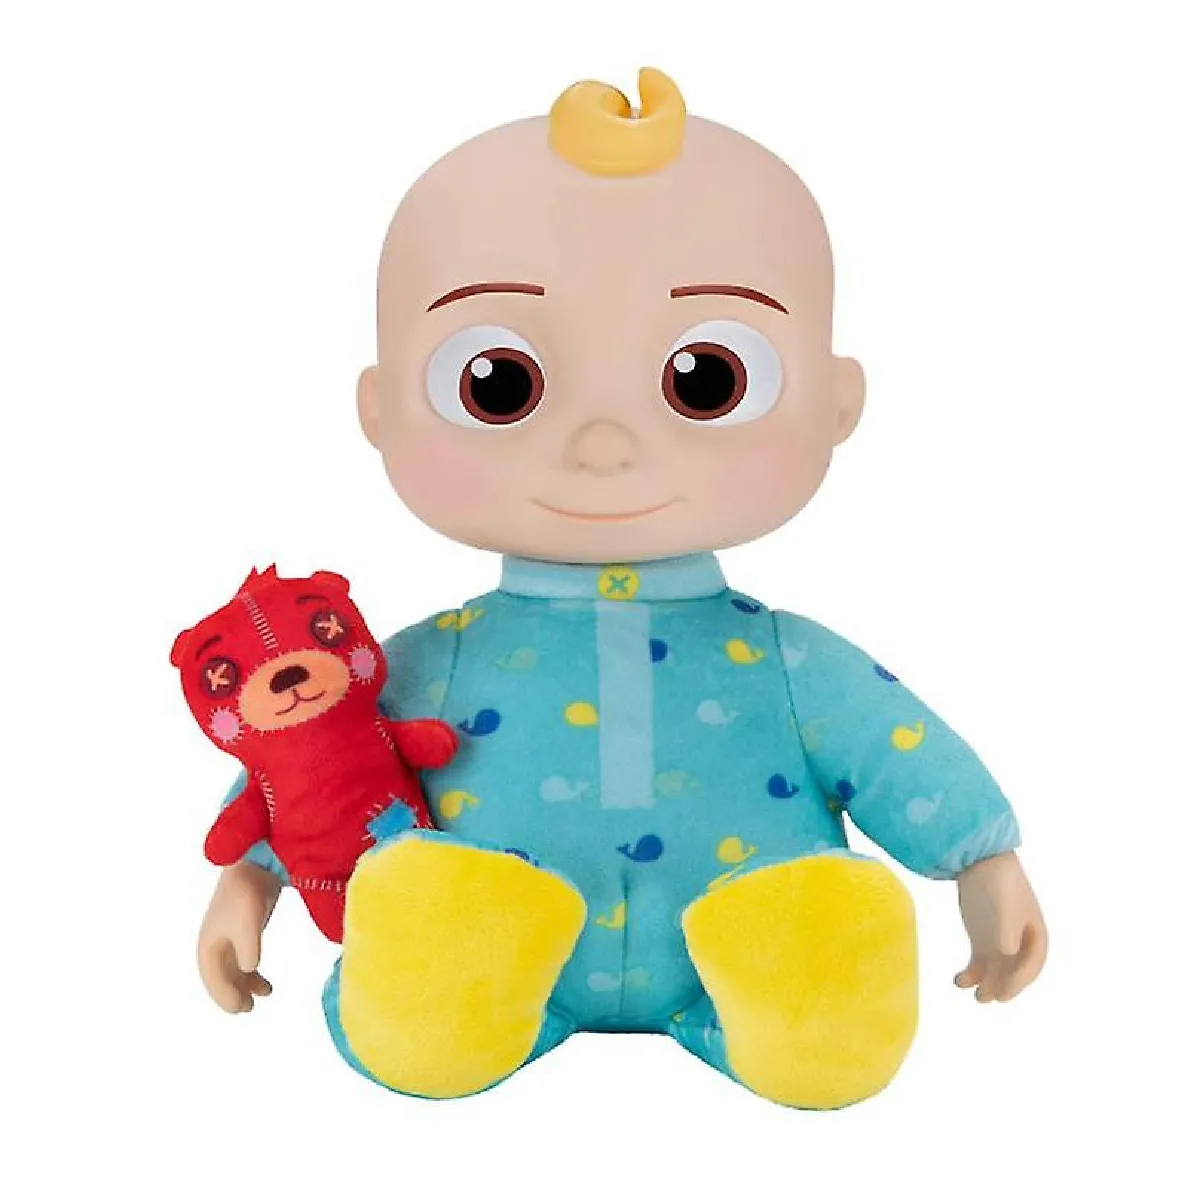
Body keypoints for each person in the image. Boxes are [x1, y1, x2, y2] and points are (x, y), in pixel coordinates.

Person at [196, 68, 1047, 1109]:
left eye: (705, 380)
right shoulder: (432, 658)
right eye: (499, 384)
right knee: (429, 978)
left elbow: (890, 742)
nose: (603, 444)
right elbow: (317, 758)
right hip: (504, 965)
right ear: (380, 408)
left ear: (836, 401)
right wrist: (250, 878)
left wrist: (982, 860)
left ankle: (797, 986)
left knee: (817, 1006)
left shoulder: (789, 660)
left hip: (729, 955)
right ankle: (446, 983)